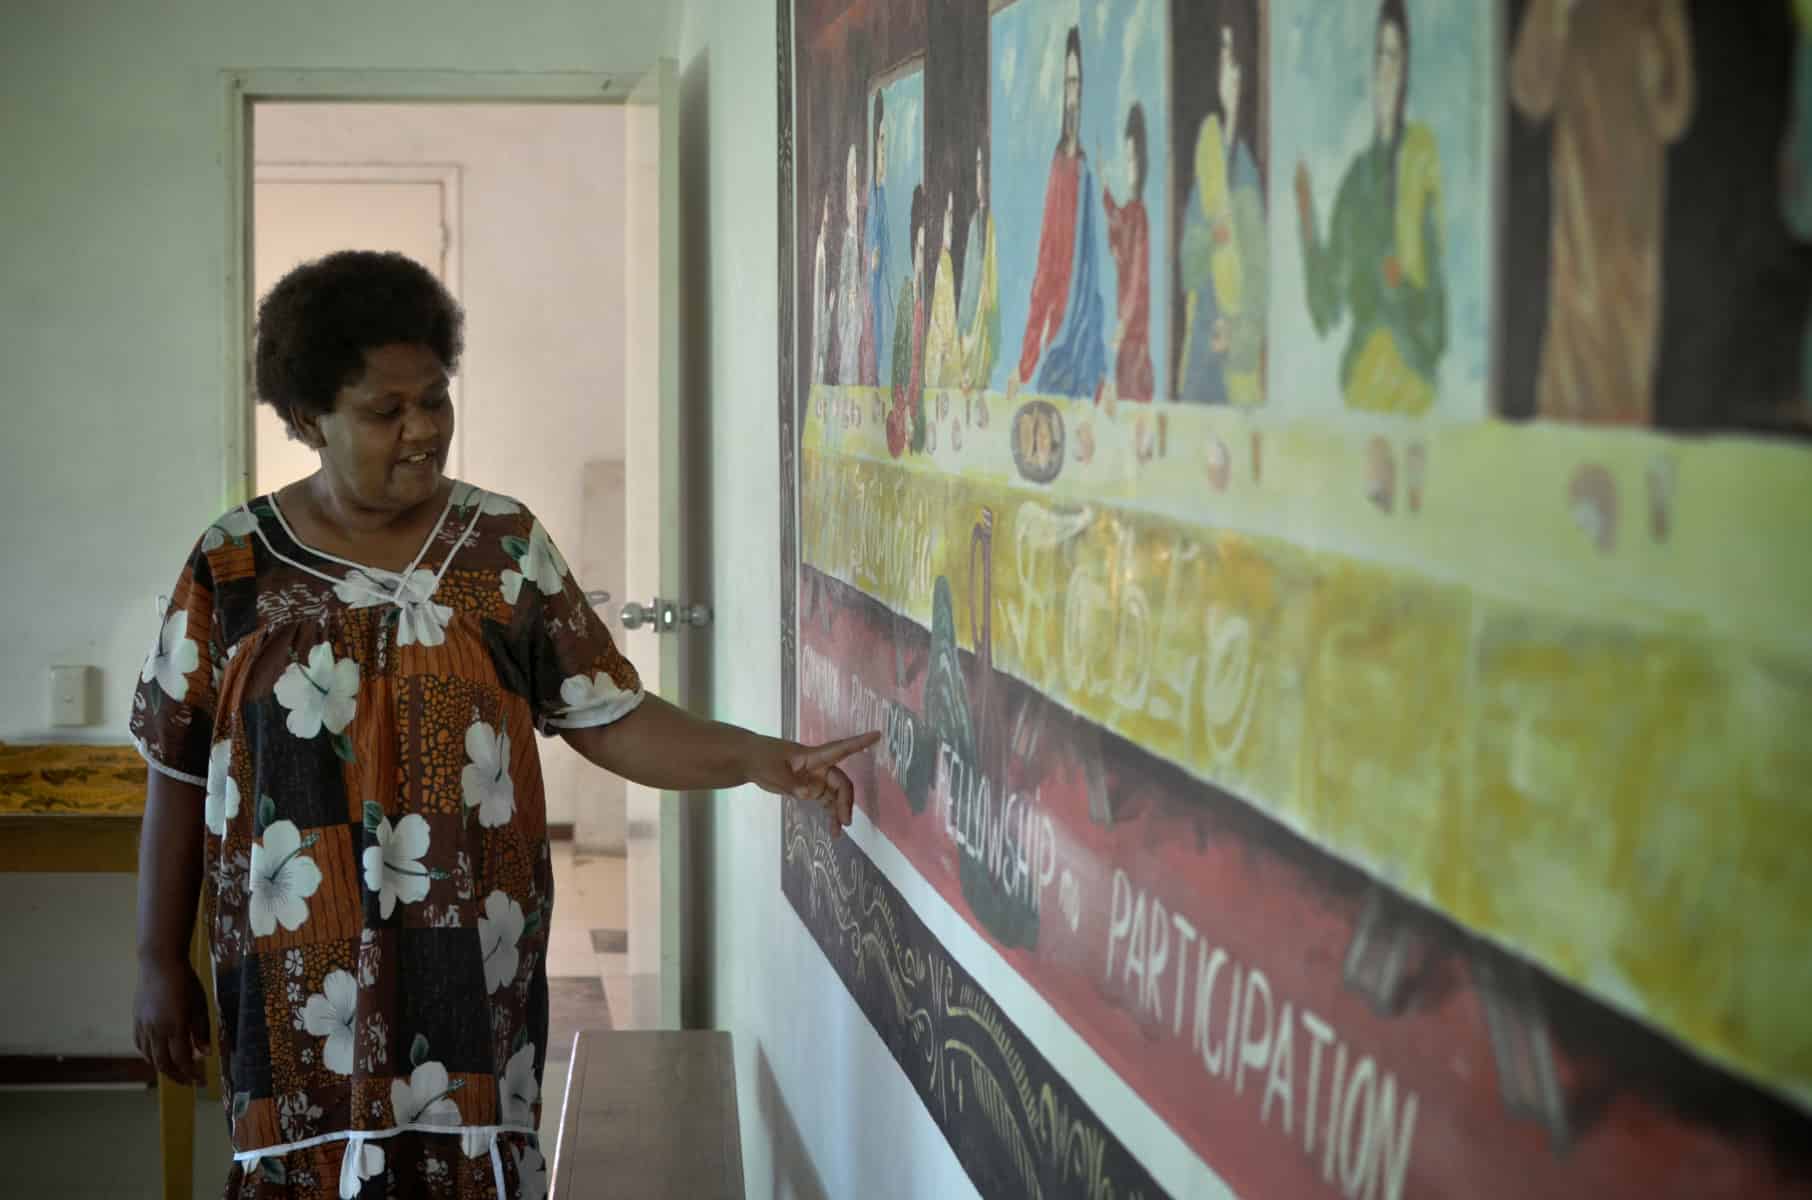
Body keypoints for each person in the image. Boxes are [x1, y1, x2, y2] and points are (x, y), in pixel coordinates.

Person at [129, 251, 876, 1199]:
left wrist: (764, 759)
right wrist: (157, 958)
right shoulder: (232, 564)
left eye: (435, 399)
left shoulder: (501, 548)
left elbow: (609, 716)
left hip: (470, 954)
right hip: (288, 973)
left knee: (466, 1164)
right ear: (308, 418)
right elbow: (177, 768)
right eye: (385, 410)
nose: (422, 430)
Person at [1511, 0, 1693, 424]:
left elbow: (1675, 113)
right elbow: (1529, 90)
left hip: (1634, 228)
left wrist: (1656, 66)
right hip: (1574, 228)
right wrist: (1554, 14)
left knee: (1627, 371)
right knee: (1569, 377)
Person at [1296, 0, 1447, 415]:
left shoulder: (1420, 163)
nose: (1387, 69)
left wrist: (1397, 288)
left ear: (1407, 71)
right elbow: (1327, 306)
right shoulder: (1356, 180)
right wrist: (1306, 220)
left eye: (1396, 56)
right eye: (1381, 55)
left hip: (1411, 373)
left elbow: (1436, 319)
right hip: (1362, 378)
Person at [1007, 26, 1108, 402]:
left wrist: (1101, 372)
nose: (1072, 97)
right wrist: (1025, 364)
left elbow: (1097, 275)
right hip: (1056, 346)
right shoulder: (1058, 171)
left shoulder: (1088, 171)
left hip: (1085, 344)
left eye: (1077, 86)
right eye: (1067, 85)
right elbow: (1045, 268)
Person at [1179, 5, 1266, 406]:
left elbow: (1261, 278)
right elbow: (1189, 265)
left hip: (1234, 354)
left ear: (1244, 73)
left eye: (1233, 58)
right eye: (1222, 56)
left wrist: (1238, 332)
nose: (1225, 69)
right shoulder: (1208, 154)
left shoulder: (1247, 171)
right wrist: (1213, 232)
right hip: (1200, 340)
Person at [1103, 102, 1155, 404]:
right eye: (1127, 158)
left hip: (1135, 335)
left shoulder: (1141, 217)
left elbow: (1136, 279)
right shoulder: (1130, 212)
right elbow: (1116, 220)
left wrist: (1122, 325)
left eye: (1134, 158)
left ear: (1143, 160)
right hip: (1126, 338)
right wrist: (1105, 192)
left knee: (1134, 396)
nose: (1129, 166)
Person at [888, 187, 930, 457]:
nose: (921, 257)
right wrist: (903, 407)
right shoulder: (906, 296)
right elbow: (898, 362)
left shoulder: (932, 298)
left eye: (926, 250)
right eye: (919, 248)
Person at [957, 145, 1001, 400]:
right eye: (977, 168)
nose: (981, 178)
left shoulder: (996, 222)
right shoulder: (976, 222)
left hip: (992, 329)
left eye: (985, 169)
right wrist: (963, 327)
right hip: (974, 327)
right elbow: (968, 285)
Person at [861, 91, 892, 387]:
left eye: (887, 140)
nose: (884, 148)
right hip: (874, 322)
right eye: (880, 140)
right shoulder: (872, 199)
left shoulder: (884, 197)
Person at [923, 191, 962, 391]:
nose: (951, 222)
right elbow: (939, 311)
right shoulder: (939, 262)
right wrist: (944, 340)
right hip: (937, 350)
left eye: (952, 214)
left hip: (945, 347)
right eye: (948, 214)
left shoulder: (946, 261)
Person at [837, 144, 866, 387]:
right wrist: (849, 294)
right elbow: (846, 276)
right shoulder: (849, 239)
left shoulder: (858, 237)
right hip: (850, 311)